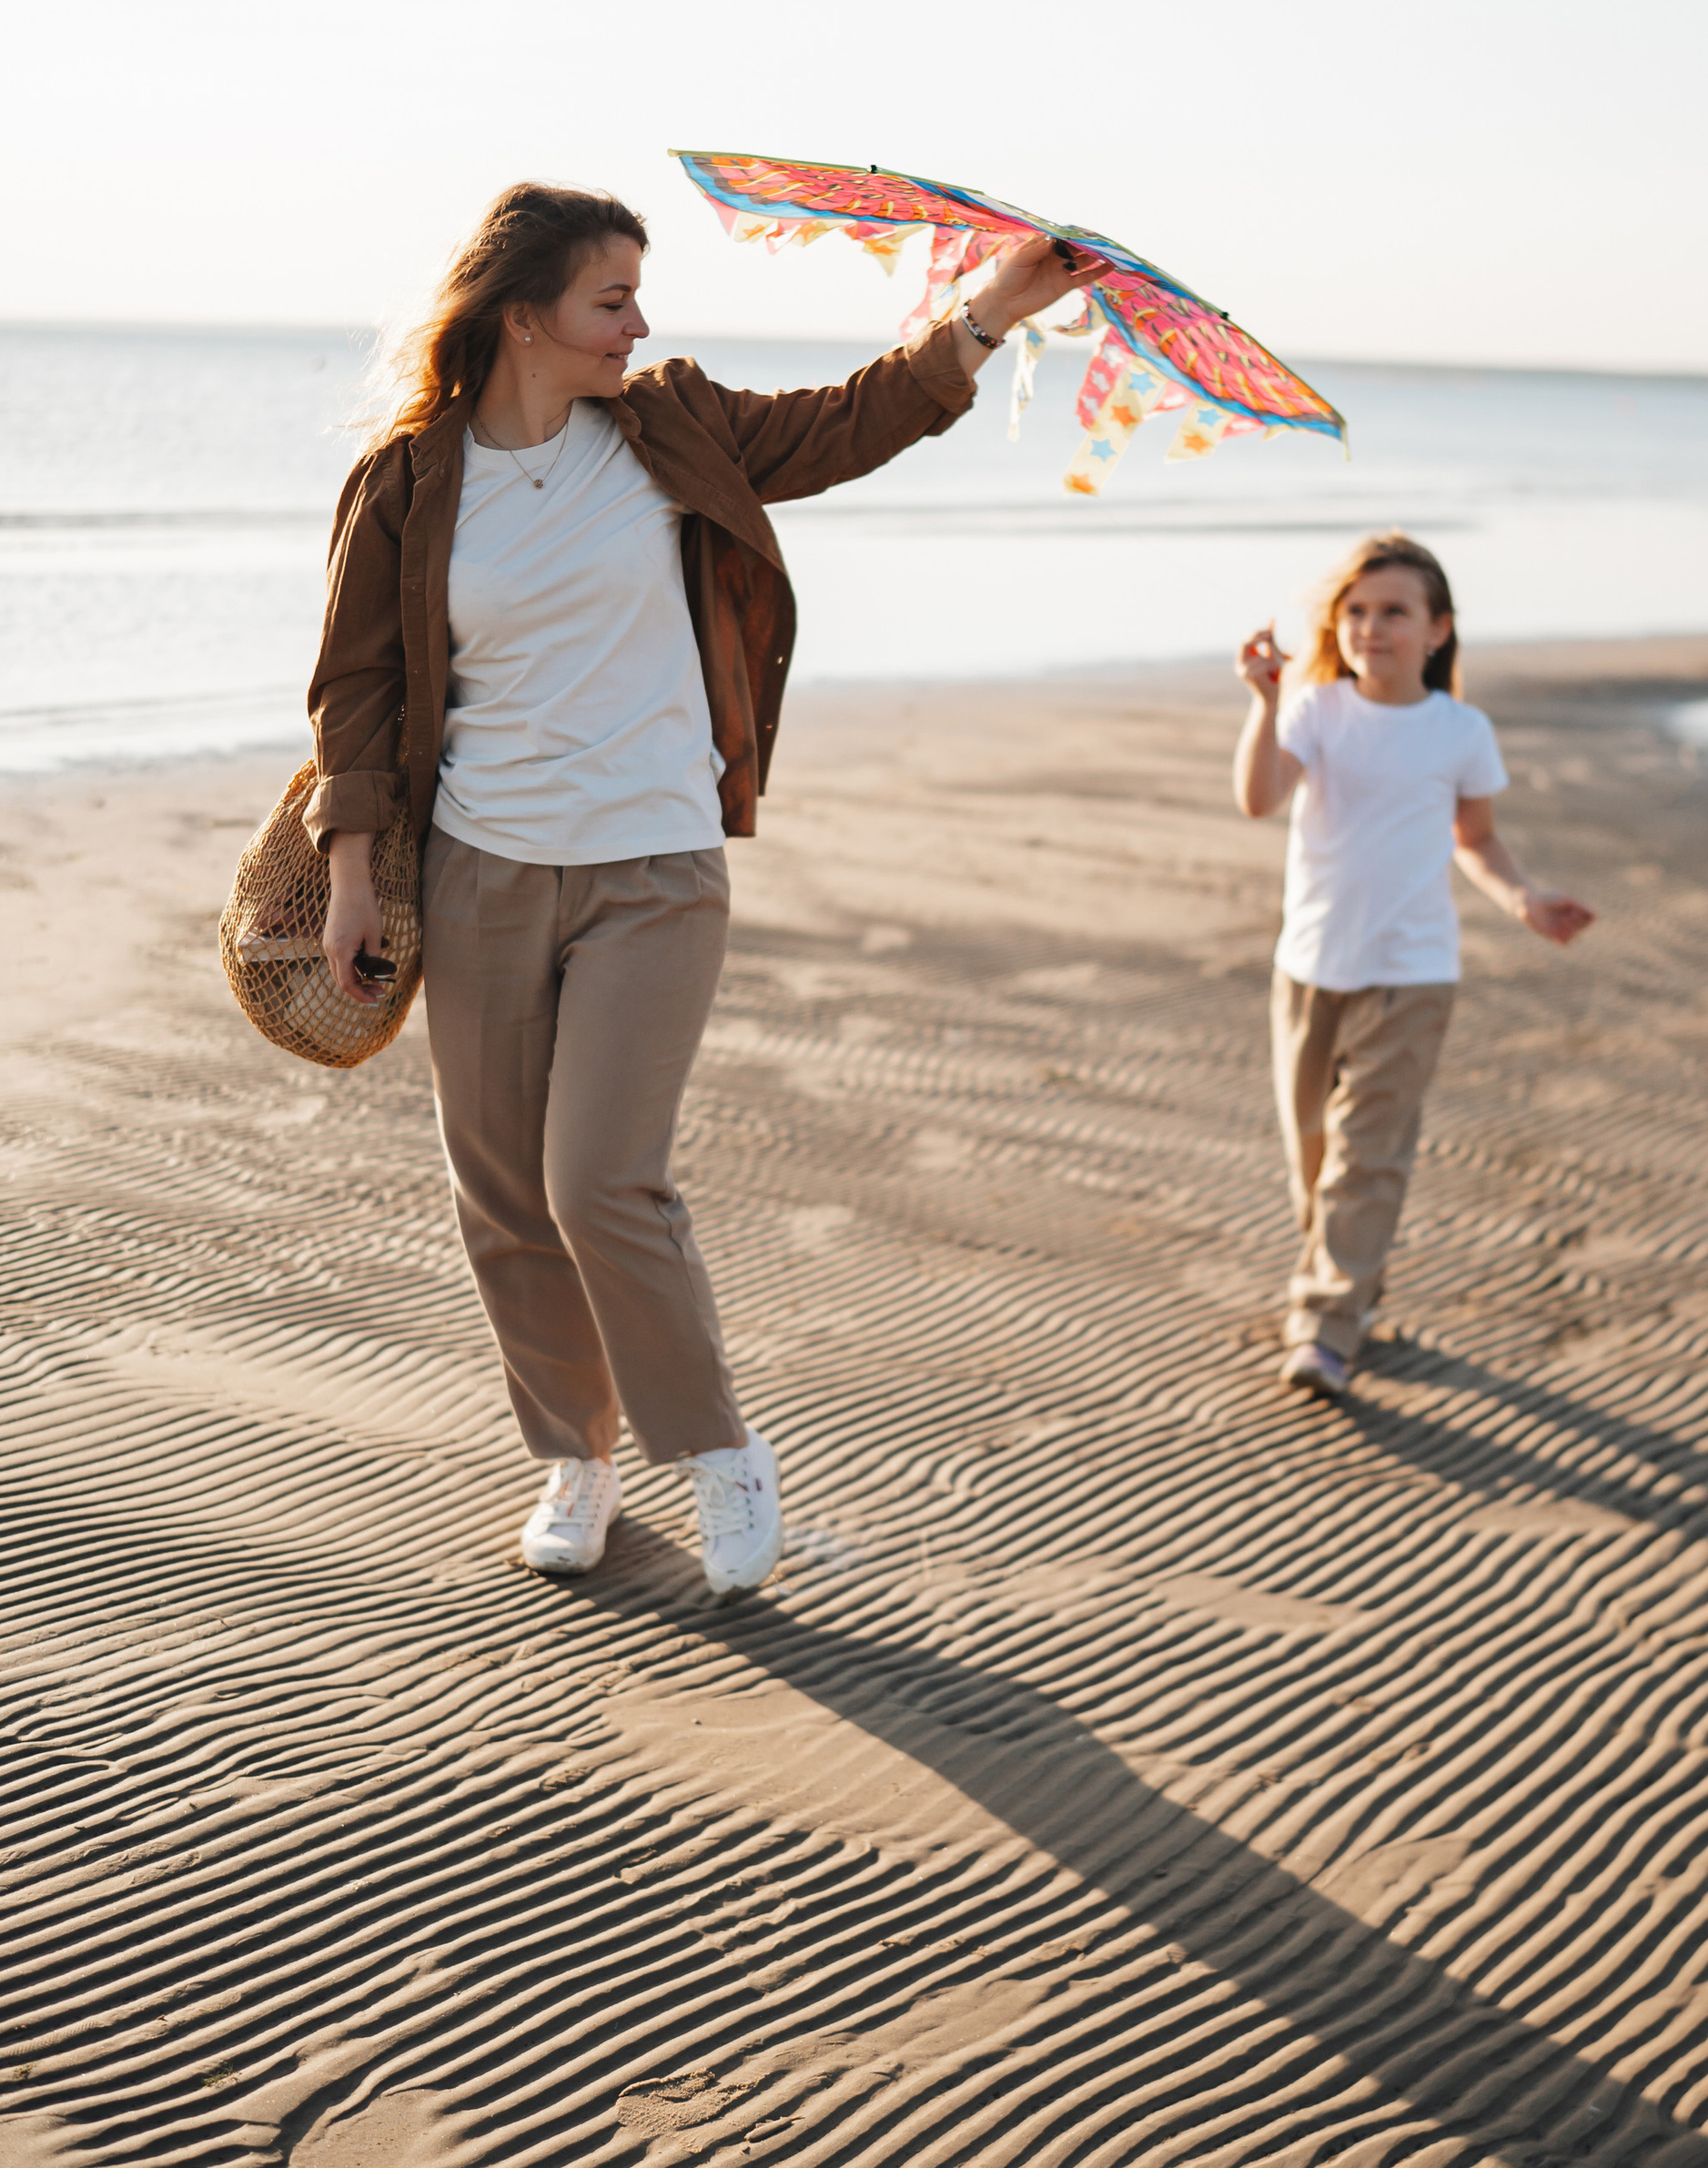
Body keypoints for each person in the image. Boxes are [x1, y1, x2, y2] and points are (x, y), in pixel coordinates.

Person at [308, 179, 1108, 1587]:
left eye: (636, 295)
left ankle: (724, 1455)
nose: (639, 322)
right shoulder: (412, 479)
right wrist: (354, 873)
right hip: (485, 868)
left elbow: (850, 421)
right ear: (522, 317)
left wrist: (989, 312)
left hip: (654, 866)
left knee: (600, 1180)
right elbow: (356, 691)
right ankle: (574, 1456)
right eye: (610, 299)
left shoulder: (668, 422)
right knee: (502, 1189)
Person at [1232, 532, 1595, 1399]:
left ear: (1437, 630)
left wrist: (1523, 899)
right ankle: (1350, 1276)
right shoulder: (1315, 710)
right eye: (1356, 612)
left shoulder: (1460, 730)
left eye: (1394, 612)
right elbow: (1256, 800)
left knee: (1368, 1158)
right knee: (1312, 1154)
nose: (1371, 627)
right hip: (1310, 967)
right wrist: (1263, 700)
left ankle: (1323, 1325)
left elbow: (1476, 839)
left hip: (1412, 974)